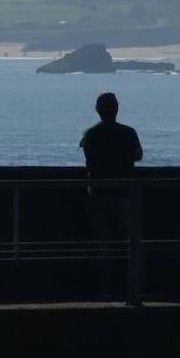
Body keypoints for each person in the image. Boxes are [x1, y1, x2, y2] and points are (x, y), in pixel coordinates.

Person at [79, 92, 142, 297]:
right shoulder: (129, 133)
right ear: (117, 109)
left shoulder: (90, 134)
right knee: (130, 244)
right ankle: (134, 287)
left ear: (97, 110)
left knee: (103, 245)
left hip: (98, 194)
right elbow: (138, 155)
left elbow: (88, 158)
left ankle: (107, 288)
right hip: (124, 193)